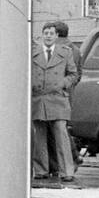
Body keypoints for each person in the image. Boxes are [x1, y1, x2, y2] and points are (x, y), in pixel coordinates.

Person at [32, 21, 78, 183]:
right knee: (39, 136)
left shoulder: (65, 52)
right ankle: (41, 170)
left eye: (52, 33)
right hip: (39, 99)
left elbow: (73, 74)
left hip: (58, 98)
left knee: (61, 134)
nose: (49, 36)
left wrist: (63, 83)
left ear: (57, 36)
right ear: (42, 35)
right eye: (46, 33)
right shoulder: (33, 52)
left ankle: (67, 171)